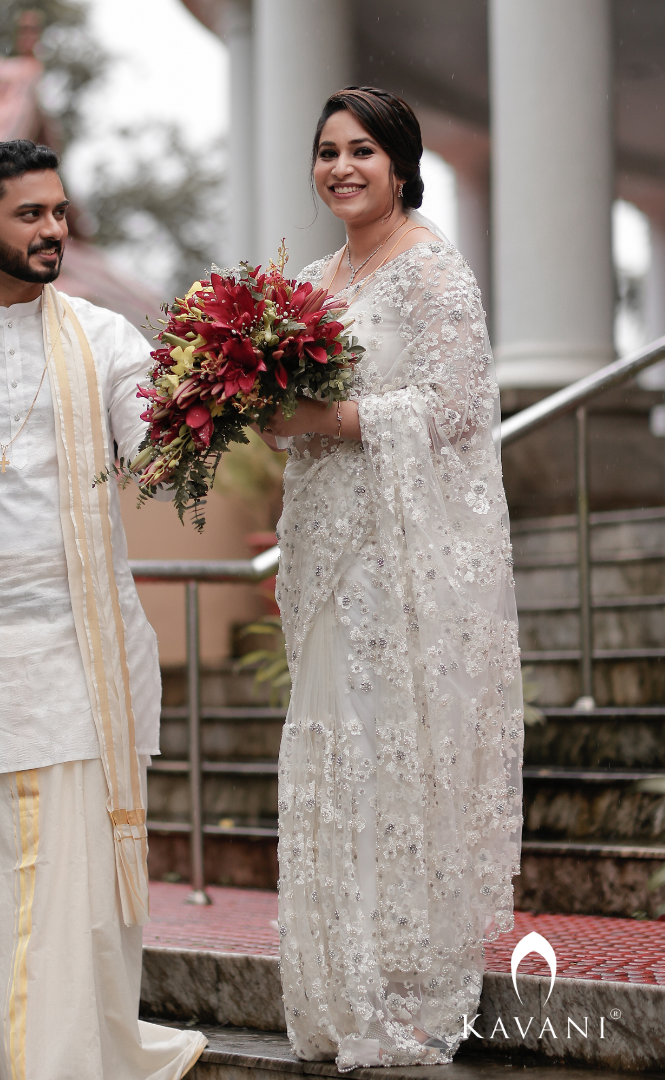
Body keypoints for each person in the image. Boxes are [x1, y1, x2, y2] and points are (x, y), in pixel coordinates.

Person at [0, 139, 206, 1080]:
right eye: (31, 215)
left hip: (83, 654)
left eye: (59, 211)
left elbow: (158, 452)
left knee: (79, 899)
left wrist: (210, 401)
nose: (54, 229)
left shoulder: (106, 339)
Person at [260, 88, 524, 1068]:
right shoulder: (319, 277)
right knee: (330, 755)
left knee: (386, 764)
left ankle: (404, 998)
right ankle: (338, 995)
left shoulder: (433, 268)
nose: (340, 167)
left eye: (361, 150)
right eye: (326, 151)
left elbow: (459, 405)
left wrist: (323, 421)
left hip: (398, 555)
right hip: (325, 545)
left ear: (402, 162)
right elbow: (299, 407)